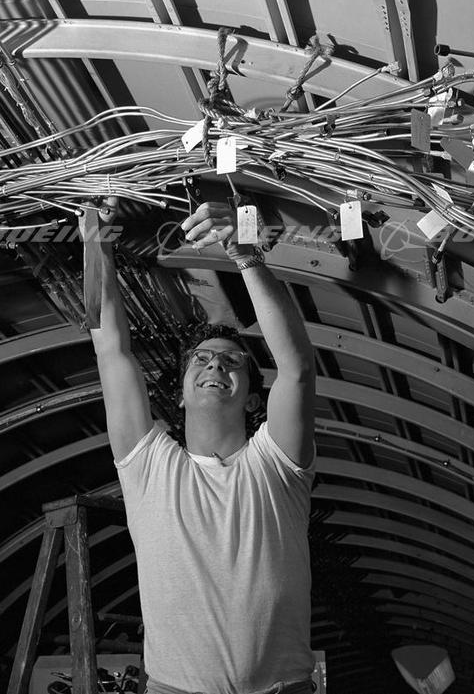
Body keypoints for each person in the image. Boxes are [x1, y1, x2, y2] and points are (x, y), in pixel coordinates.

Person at [86, 197, 317, 694]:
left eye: (232, 362)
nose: (215, 365)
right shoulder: (149, 466)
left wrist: (246, 255)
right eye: (202, 359)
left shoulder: (276, 466)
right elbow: (110, 349)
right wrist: (95, 237)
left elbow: (296, 368)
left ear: (253, 398)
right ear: (180, 394)